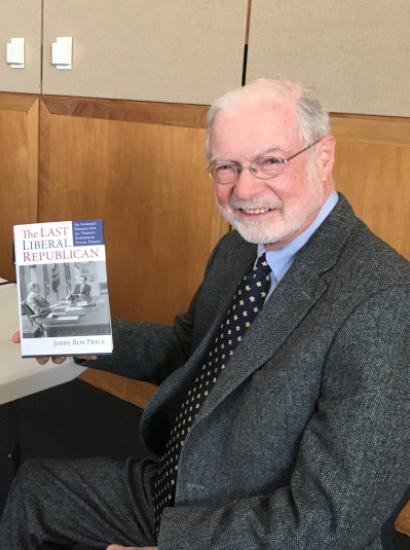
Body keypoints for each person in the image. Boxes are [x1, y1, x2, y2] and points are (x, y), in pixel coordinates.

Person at [1, 78, 409, 549]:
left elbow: (330, 523)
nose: (245, 189)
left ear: (324, 155)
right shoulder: (241, 247)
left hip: (251, 525)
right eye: (226, 167)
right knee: (37, 493)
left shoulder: (385, 302)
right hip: (186, 484)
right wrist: (82, 333)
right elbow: (187, 350)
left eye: (270, 161)